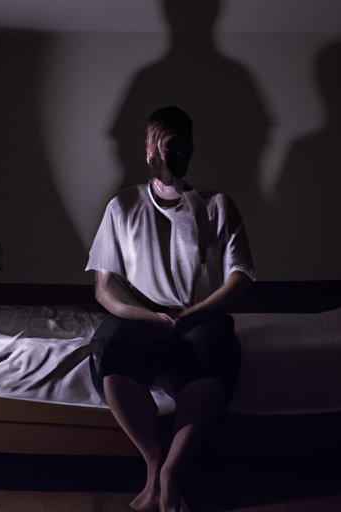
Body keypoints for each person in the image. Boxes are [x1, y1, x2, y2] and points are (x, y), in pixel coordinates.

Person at [86, 106, 255, 512]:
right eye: (161, 145)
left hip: (201, 315)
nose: (169, 154)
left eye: (178, 145)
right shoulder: (123, 206)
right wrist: (145, 316)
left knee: (214, 354)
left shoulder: (216, 205)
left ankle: (173, 472)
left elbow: (240, 279)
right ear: (147, 149)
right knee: (110, 351)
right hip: (142, 315)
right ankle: (154, 464)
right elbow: (104, 289)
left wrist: (196, 311)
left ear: (191, 149)